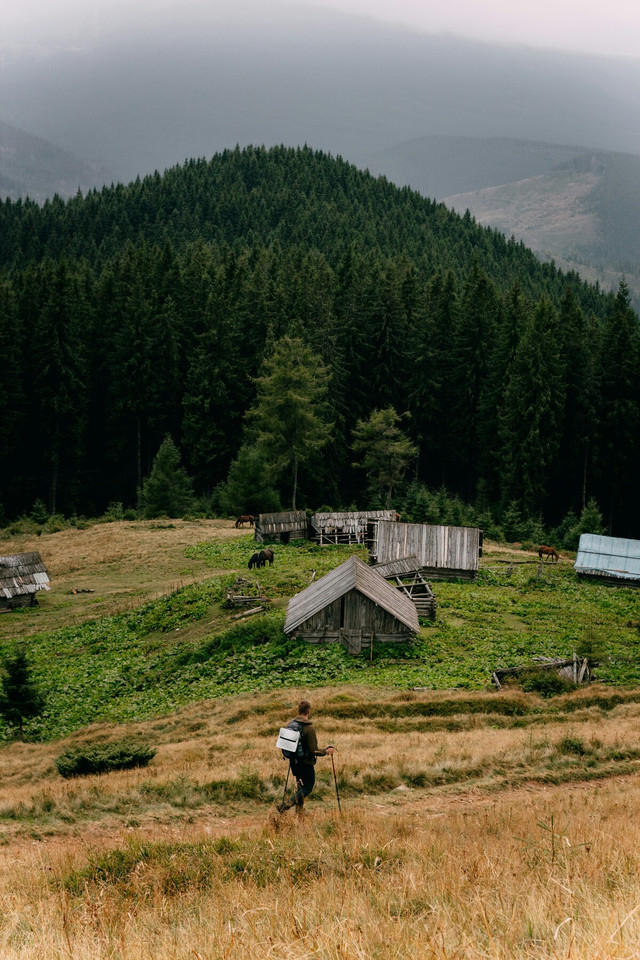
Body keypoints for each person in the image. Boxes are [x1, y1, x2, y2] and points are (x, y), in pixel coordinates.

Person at [277, 699, 334, 813]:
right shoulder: (309, 727)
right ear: (308, 711)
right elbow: (314, 750)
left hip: (294, 762)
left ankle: (300, 811)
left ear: (299, 710)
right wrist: (326, 751)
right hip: (305, 763)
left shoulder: (291, 724)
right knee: (308, 786)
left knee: (300, 787)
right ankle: (286, 805)